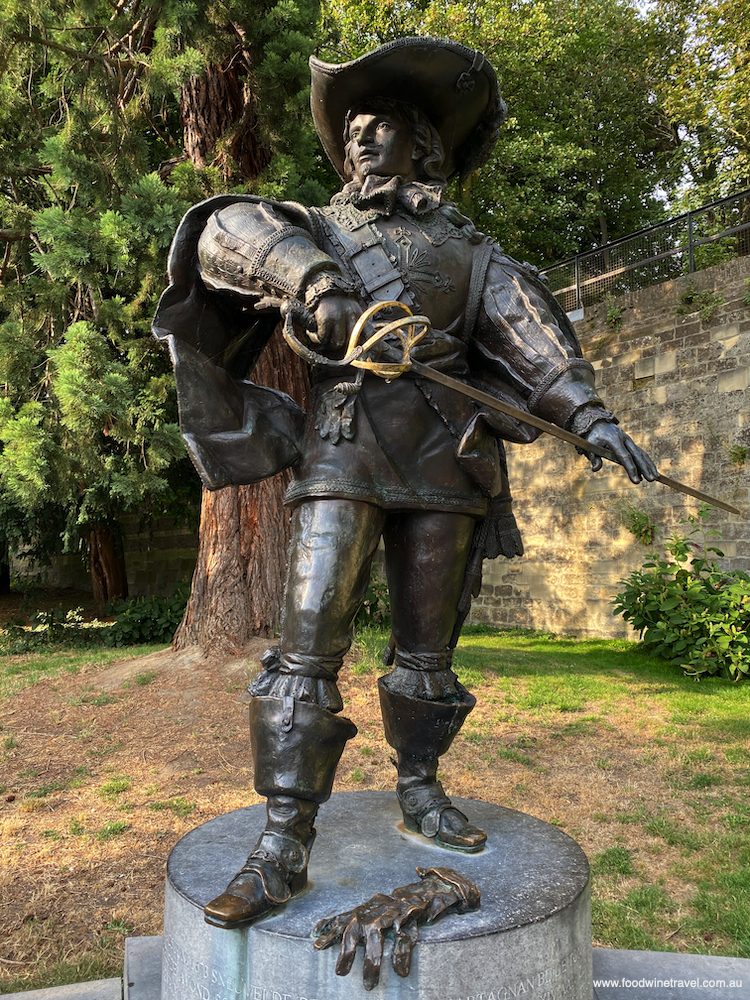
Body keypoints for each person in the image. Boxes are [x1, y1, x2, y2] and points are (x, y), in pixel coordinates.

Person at [153, 36, 658, 931]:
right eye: (350, 128)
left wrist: (591, 417)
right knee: (304, 652)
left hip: (447, 463)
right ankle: (283, 841)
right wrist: (314, 287)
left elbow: (529, 337)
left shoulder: (473, 253)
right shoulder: (316, 227)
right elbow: (221, 232)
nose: (357, 140)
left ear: (423, 143)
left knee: (428, 658)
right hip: (341, 452)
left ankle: (420, 788)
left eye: (377, 125)